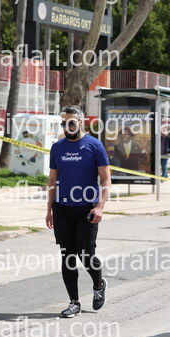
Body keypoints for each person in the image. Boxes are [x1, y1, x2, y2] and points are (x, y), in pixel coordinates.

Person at [46, 106, 111, 318]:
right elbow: (52, 179)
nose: (67, 126)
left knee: (86, 254)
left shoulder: (94, 145)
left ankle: (99, 284)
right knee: (67, 255)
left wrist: (100, 206)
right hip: (62, 208)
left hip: (87, 208)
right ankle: (74, 302)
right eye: (63, 123)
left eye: (71, 122)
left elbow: (106, 179)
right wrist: (49, 209)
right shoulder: (57, 147)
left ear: (80, 122)